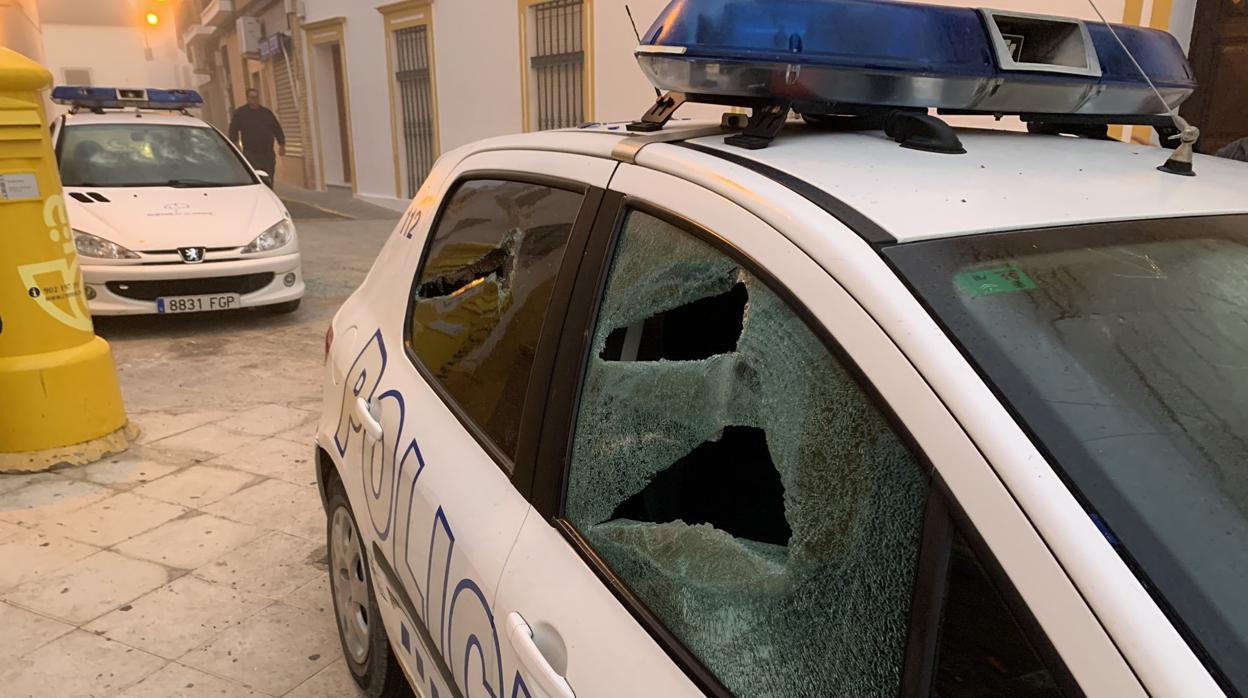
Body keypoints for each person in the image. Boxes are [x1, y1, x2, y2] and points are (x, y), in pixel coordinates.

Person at [228, 88, 285, 187]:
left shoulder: (266, 113)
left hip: (267, 154)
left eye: (256, 97)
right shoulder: (241, 113)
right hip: (251, 154)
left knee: (269, 178)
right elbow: (233, 131)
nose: (254, 100)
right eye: (252, 97)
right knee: (256, 179)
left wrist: (282, 145)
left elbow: (277, 129)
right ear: (248, 98)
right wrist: (236, 146)